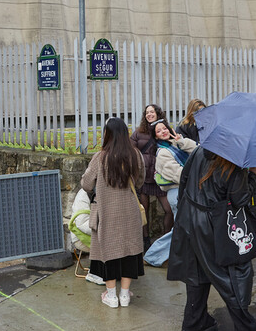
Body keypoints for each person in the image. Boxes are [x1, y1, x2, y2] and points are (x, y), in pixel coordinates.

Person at [167, 147, 256, 331]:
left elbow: (184, 180)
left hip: (189, 216)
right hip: (213, 224)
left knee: (197, 270)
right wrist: (253, 175)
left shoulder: (199, 150)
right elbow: (240, 199)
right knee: (231, 275)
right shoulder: (232, 162)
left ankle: (195, 321)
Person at [81, 117, 145, 308]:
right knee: (129, 251)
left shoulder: (100, 157)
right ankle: (124, 295)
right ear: (126, 134)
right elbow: (140, 182)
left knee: (108, 252)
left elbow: (85, 183)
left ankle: (111, 296)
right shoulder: (136, 155)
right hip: (130, 211)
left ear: (107, 134)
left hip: (107, 212)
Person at [143, 119, 196, 267]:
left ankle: (178, 257)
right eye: (159, 131)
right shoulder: (163, 153)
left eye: (164, 129)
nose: (163, 132)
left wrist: (182, 141)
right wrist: (197, 173)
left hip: (186, 191)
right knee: (181, 229)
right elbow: (179, 174)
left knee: (184, 228)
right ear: (156, 137)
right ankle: (152, 256)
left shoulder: (175, 145)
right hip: (177, 193)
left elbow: (198, 151)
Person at [130, 104, 173, 242]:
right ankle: (145, 239)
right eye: (147, 112)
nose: (149, 114)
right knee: (144, 210)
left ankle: (167, 238)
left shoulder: (164, 129)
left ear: (158, 113)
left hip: (160, 175)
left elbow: (174, 145)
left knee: (169, 209)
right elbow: (131, 150)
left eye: (152, 112)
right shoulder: (138, 132)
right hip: (144, 176)